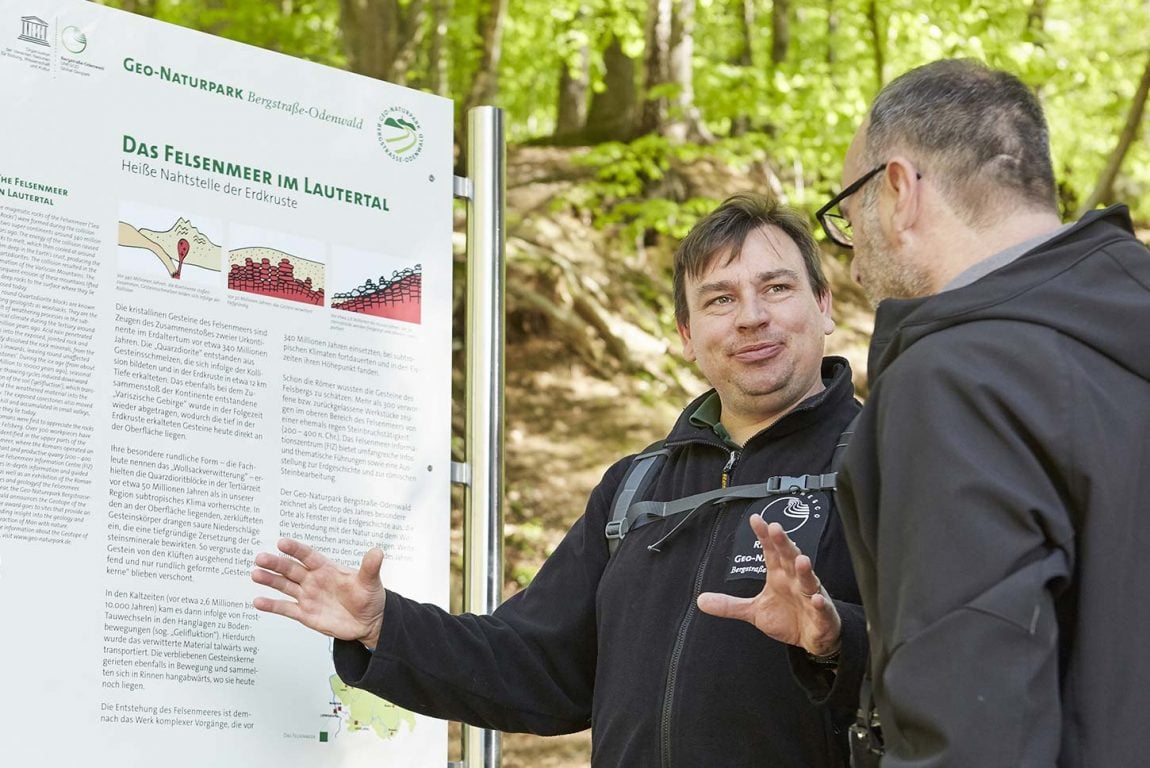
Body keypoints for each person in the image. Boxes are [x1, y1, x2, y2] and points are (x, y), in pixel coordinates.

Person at [252, 192, 867, 766]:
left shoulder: (884, 463)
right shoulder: (637, 489)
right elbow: (537, 664)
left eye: (776, 287)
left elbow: (951, 660)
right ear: (687, 336)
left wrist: (837, 642)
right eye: (720, 299)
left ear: (823, 304)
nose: (751, 318)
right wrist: (385, 627)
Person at [815, 58, 1150, 765]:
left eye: (849, 214)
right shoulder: (1121, 330)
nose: (849, 260)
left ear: (899, 189)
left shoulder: (954, 381)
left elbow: (970, 721)